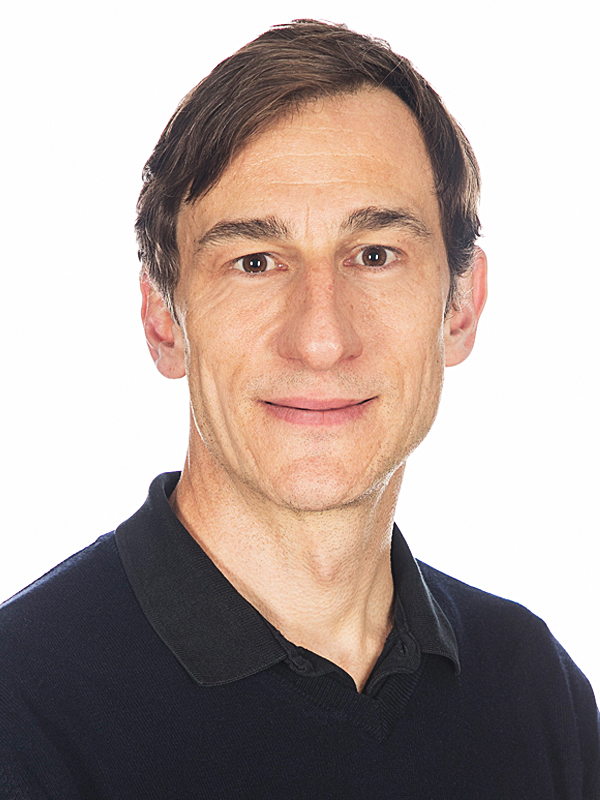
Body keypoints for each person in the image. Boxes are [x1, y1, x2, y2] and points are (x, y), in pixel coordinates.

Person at [0, 19, 598, 799]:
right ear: (163, 321)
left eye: (375, 255)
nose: (321, 339)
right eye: (255, 262)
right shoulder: (21, 708)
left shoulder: (534, 692)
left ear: (460, 307)